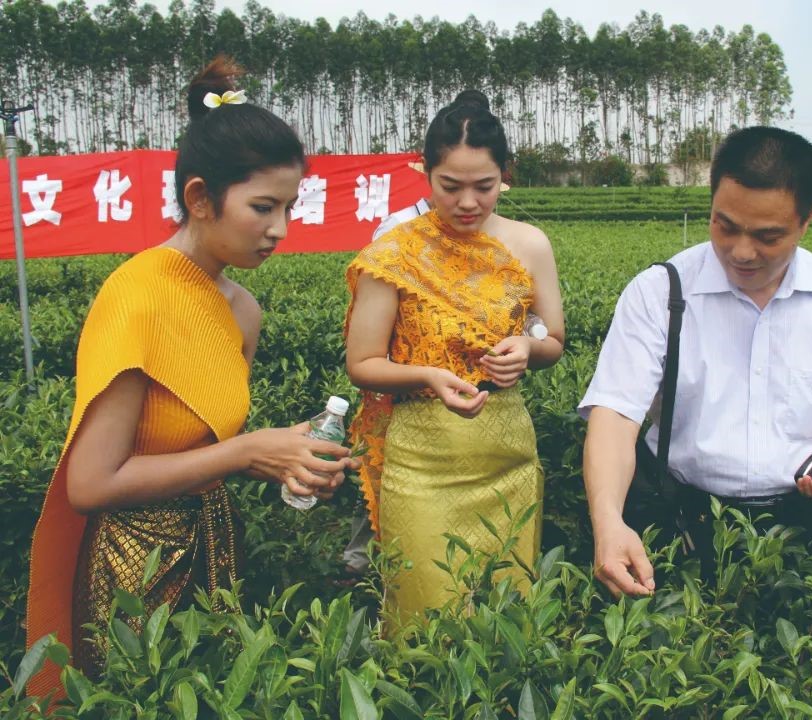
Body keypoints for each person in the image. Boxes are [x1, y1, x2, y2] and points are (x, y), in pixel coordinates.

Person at [25, 56, 356, 692]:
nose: (280, 230)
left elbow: (210, 447)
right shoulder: (138, 296)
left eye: (289, 207)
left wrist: (283, 454)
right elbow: (91, 484)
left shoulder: (241, 308)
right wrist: (245, 452)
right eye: (262, 207)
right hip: (132, 568)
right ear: (199, 198)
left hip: (211, 545)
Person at [579, 126, 812, 597]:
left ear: (807, 219)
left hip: (802, 529)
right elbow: (616, 414)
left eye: (768, 236)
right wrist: (608, 522)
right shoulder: (660, 291)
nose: (742, 252)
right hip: (681, 522)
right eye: (725, 225)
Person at [344, 91, 564, 623]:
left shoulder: (530, 244)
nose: (468, 202)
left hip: (506, 452)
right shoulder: (395, 250)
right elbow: (362, 362)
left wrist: (528, 350)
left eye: (483, 186)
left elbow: (554, 339)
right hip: (421, 459)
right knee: (423, 616)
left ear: (504, 175)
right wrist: (428, 375)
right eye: (451, 186)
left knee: (504, 618)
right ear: (426, 174)